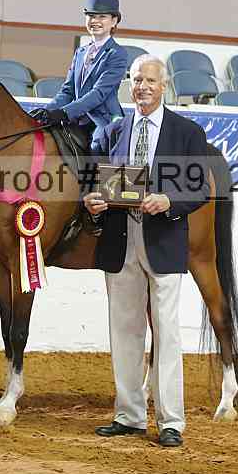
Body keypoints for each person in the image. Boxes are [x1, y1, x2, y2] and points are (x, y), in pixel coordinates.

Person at [84, 54, 209, 448]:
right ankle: (129, 415)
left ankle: (171, 421)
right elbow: (98, 185)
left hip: (164, 241)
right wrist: (93, 202)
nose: (143, 87)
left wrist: (169, 201)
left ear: (164, 85)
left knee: (167, 333)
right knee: (124, 331)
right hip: (120, 241)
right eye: (137, 80)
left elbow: (200, 190)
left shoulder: (186, 132)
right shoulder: (113, 131)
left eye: (150, 80)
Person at [30, 0, 128, 149]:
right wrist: (47, 112)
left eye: (102, 17)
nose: (95, 21)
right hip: (76, 118)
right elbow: (67, 91)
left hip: (102, 119)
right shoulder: (80, 52)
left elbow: (98, 94)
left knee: (97, 146)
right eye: (91, 16)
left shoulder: (117, 54)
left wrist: (64, 112)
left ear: (114, 21)